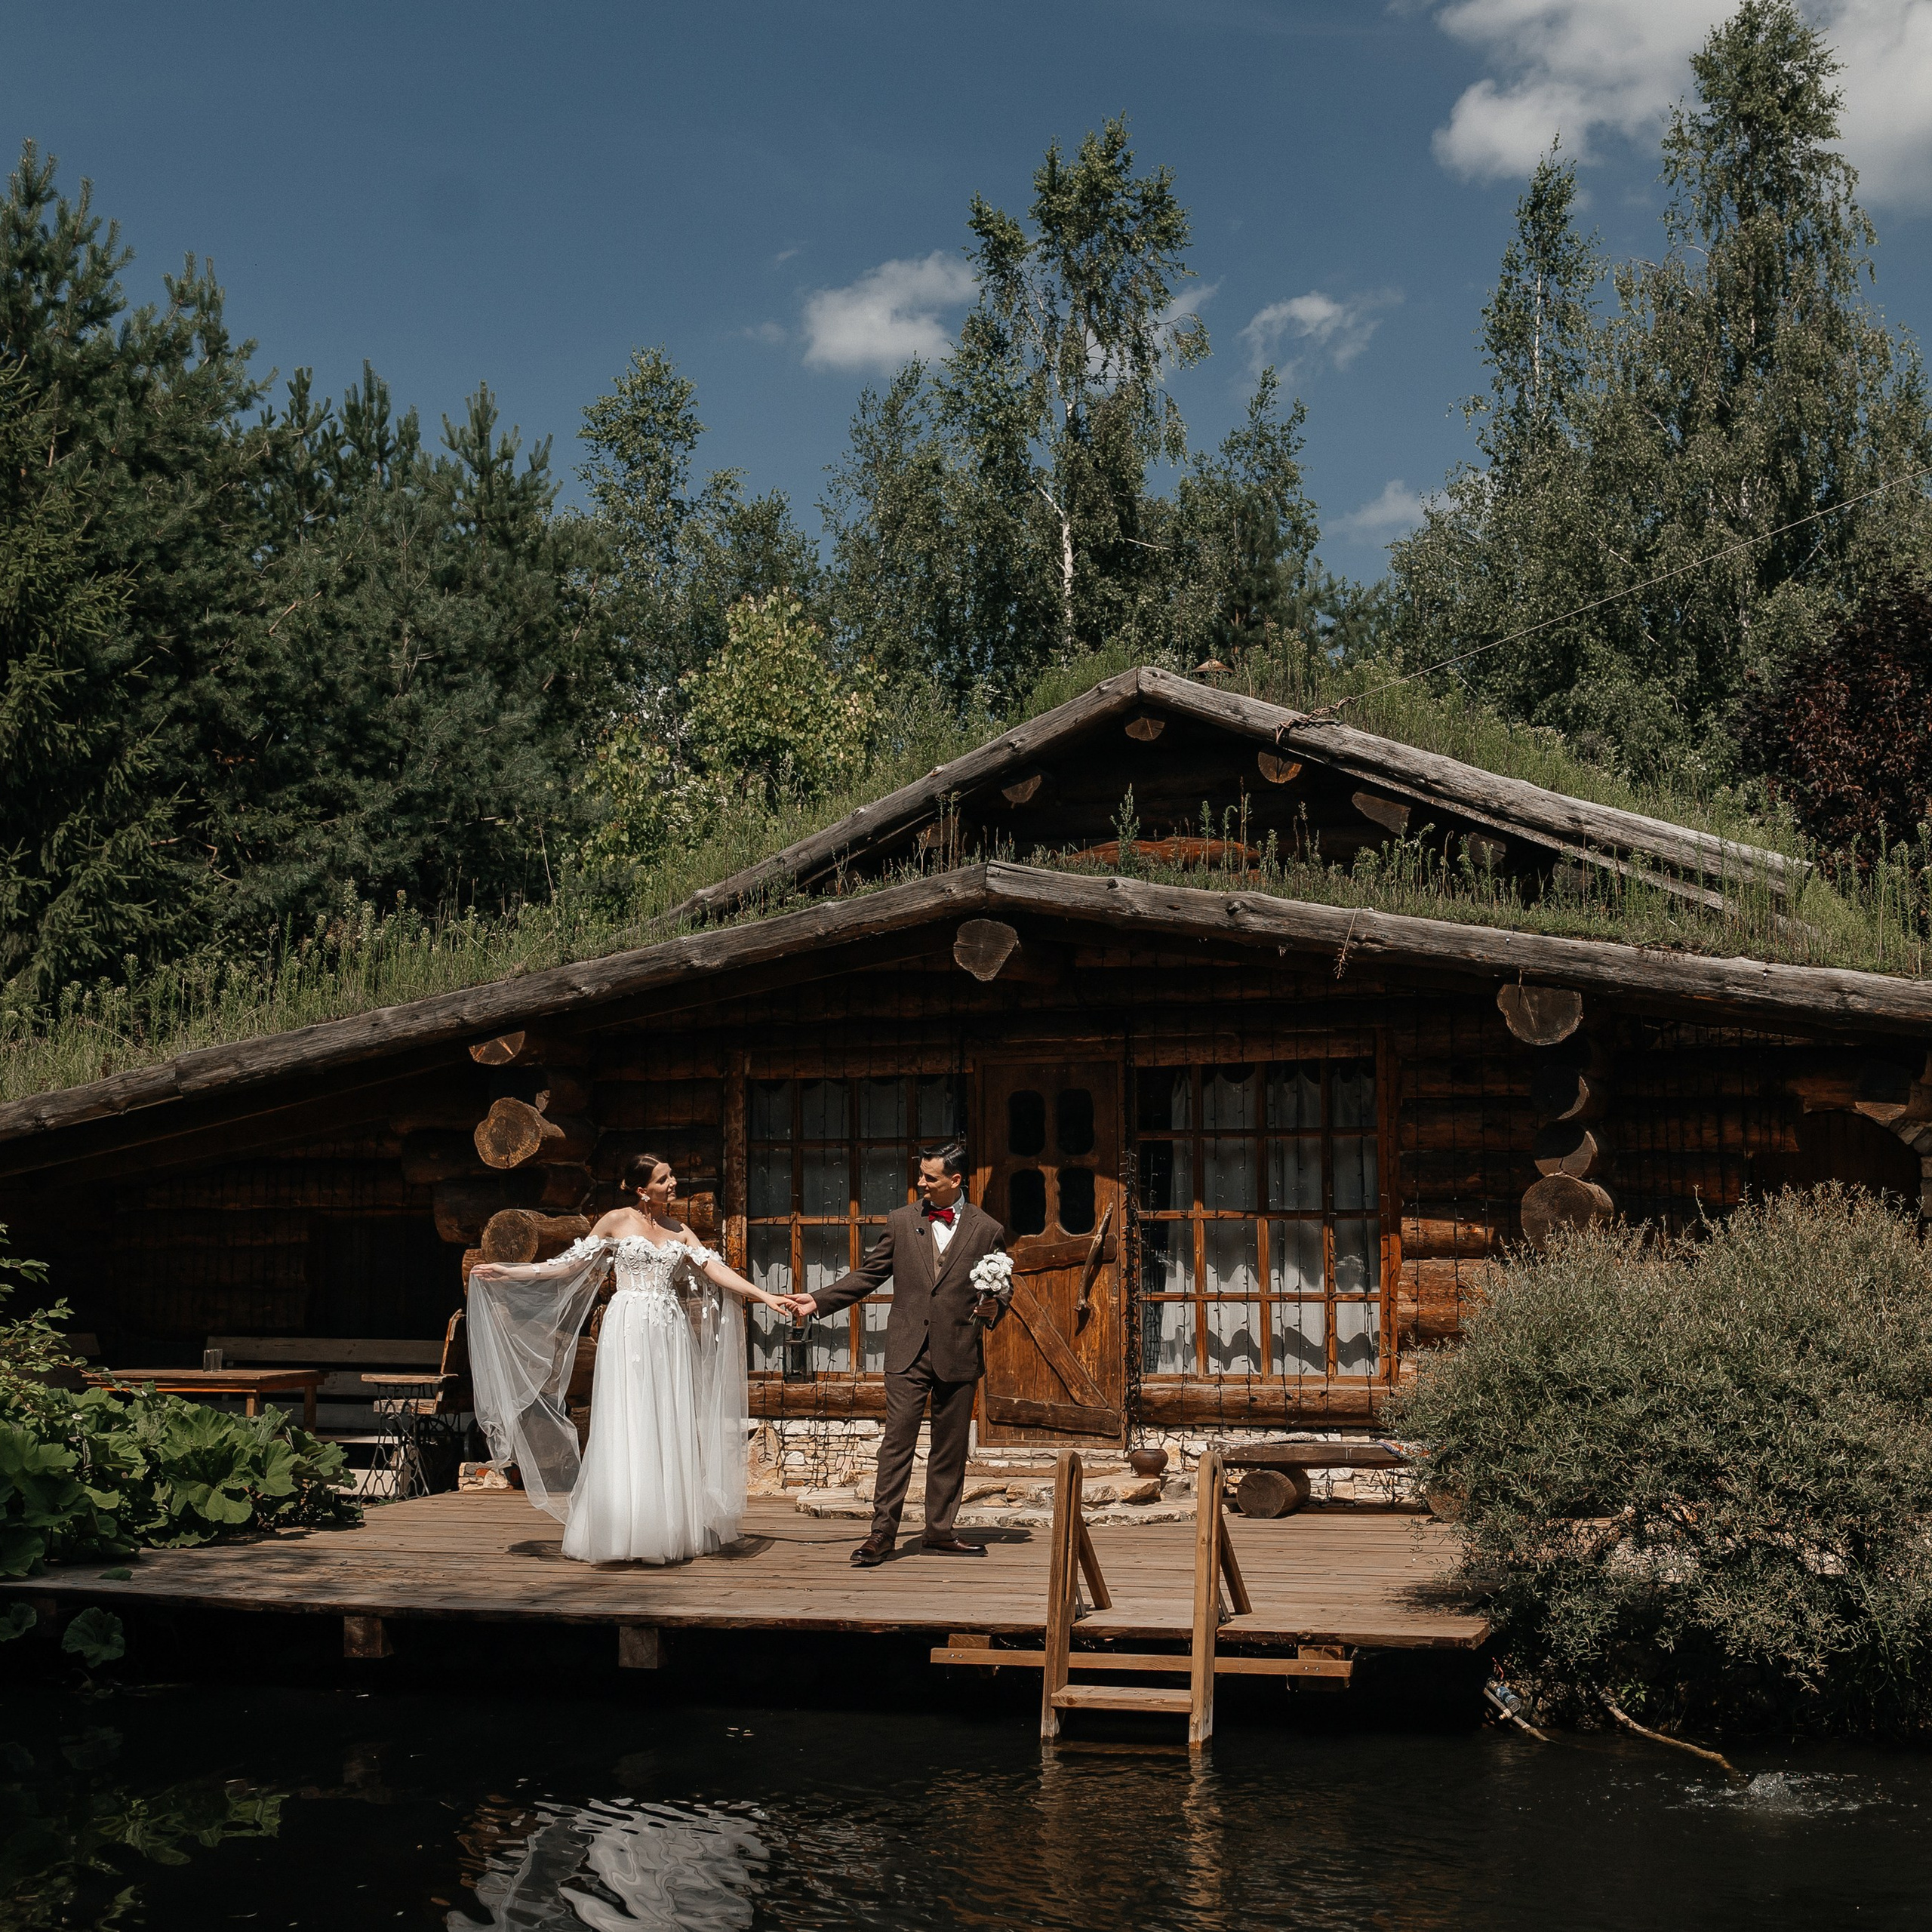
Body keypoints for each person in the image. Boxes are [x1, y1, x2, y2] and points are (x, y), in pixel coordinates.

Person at [466, 1153, 798, 1565]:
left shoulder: (680, 1231)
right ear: (643, 1190)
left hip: (668, 1331)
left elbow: (717, 1271)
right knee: (628, 1416)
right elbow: (566, 1267)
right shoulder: (616, 1221)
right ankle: (623, 1526)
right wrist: (511, 1272)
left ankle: (665, 1526)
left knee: (665, 1416)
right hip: (628, 1329)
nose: (674, 1182)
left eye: (672, 1175)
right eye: (665, 1178)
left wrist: (766, 1297)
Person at [789, 1140, 1008, 1566]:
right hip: (908, 1351)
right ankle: (881, 1534)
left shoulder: (987, 1228)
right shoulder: (903, 1221)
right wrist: (818, 1301)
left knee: (950, 1446)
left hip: (959, 1350)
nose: (921, 1183)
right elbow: (870, 1273)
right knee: (897, 1443)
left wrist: (995, 1304)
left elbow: (1002, 1284)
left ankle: (940, 1532)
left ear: (955, 1180)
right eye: (921, 1174)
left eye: (930, 1177)